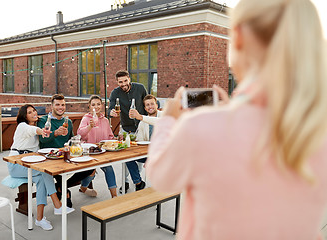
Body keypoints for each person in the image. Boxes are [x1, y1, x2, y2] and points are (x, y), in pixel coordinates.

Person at [146, 0, 327, 239]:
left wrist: (168, 120)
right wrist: (233, 110)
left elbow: (160, 177)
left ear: (239, 37)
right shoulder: (317, 129)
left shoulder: (201, 128)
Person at [8, 104, 74, 231]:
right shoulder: (22, 126)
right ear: (24, 116)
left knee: (42, 180)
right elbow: (33, 131)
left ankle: (39, 219)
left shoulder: (38, 126)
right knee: (44, 172)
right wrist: (41, 131)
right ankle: (57, 204)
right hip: (16, 164)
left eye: (34, 111)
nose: (33, 113)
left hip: (30, 163)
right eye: (29, 112)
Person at [37, 94, 94, 207]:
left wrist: (77, 141)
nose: (60, 107)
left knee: (90, 167)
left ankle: (61, 187)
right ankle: (65, 191)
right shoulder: (44, 120)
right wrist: (55, 133)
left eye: (63, 105)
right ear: (51, 106)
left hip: (65, 156)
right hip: (49, 158)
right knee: (60, 172)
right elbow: (42, 140)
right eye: (57, 105)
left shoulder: (67, 121)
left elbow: (70, 139)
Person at [108, 70, 147, 192]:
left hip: (141, 127)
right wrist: (111, 112)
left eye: (125, 80)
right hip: (126, 129)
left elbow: (147, 104)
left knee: (139, 158)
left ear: (129, 79)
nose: (123, 84)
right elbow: (110, 109)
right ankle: (126, 182)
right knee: (126, 158)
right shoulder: (115, 93)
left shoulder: (140, 88)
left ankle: (137, 180)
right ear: (117, 82)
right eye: (120, 82)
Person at [77, 95, 118, 198]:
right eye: (93, 104)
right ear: (89, 106)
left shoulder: (105, 120)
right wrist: (89, 126)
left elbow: (110, 136)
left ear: (102, 105)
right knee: (92, 172)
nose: (96, 106)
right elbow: (80, 133)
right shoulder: (86, 118)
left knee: (109, 168)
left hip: (103, 152)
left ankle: (114, 196)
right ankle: (83, 188)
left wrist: (116, 140)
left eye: (98, 104)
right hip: (89, 153)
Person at [125, 94, 162, 191]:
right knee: (128, 157)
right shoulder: (142, 122)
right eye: (147, 105)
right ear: (145, 108)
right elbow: (140, 140)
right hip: (147, 154)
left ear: (157, 105)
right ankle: (138, 183)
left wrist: (140, 117)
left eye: (152, 104)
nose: (150, 107)